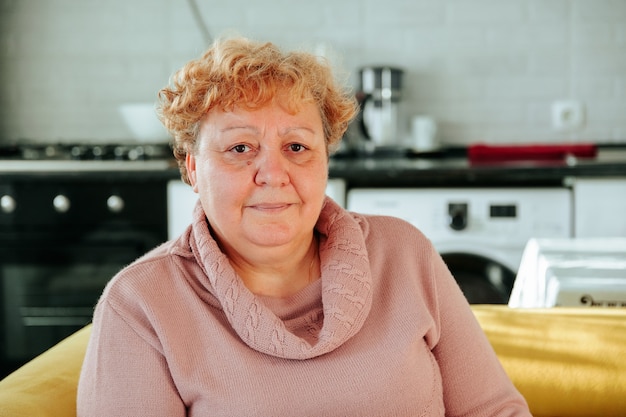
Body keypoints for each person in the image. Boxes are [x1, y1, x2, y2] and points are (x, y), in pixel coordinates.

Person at [77, 36, 531, 416]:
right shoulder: (141, 304)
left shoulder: (404, 254)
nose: (274, 174)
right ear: (193, 168)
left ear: (325, 161)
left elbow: (495, 411)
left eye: (296, 146)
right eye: (239, 148)